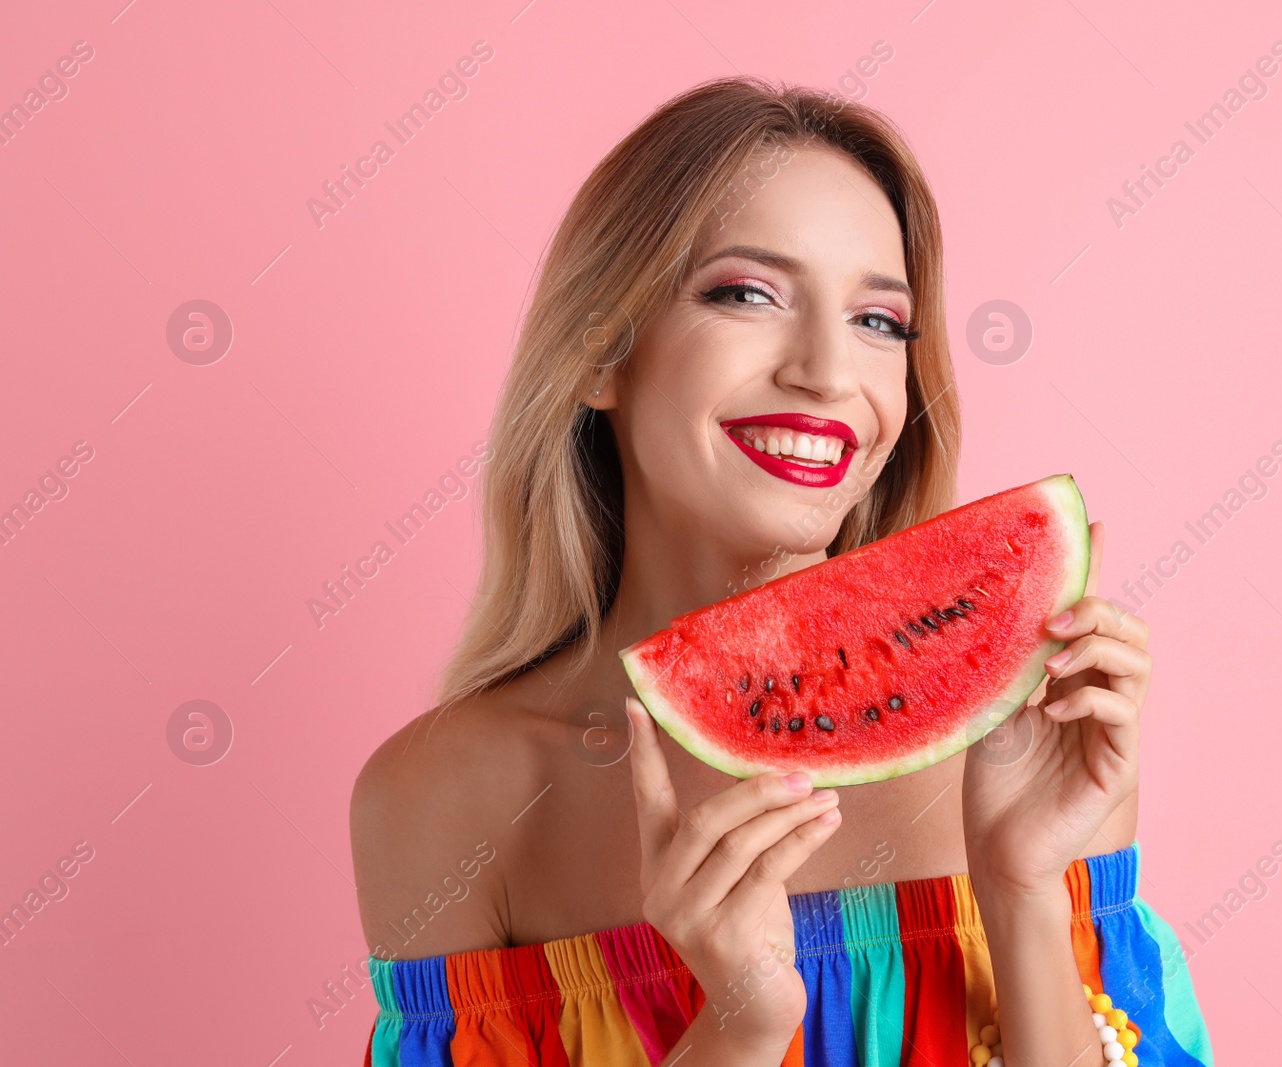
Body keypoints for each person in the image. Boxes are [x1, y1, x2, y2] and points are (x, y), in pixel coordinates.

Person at [350, 75, 1212, 1066]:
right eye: (746, 293)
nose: (826, 371)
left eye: (878, 321)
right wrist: (742, 1023)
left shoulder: (1028, 740)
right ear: (601, 354)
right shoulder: (445, 797)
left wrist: (1019, 890)